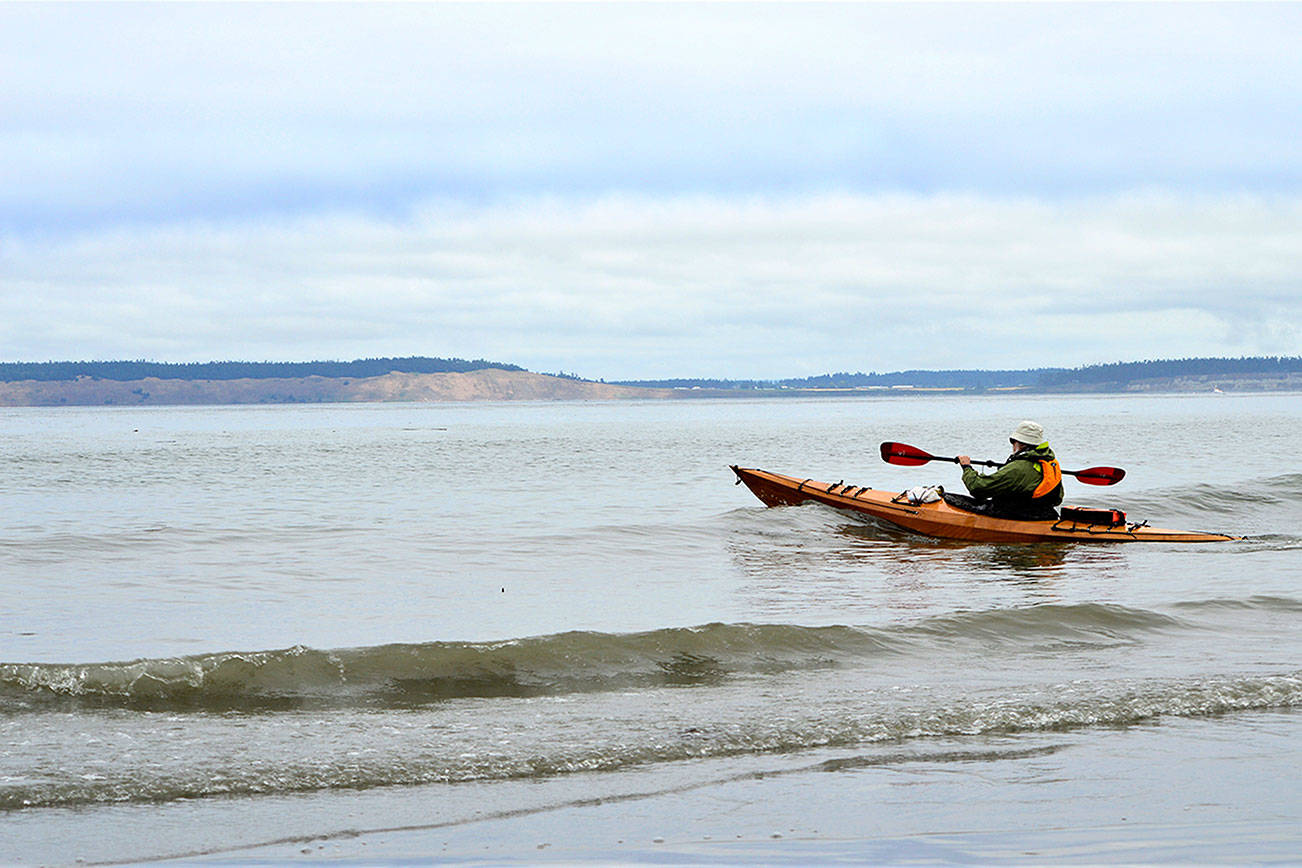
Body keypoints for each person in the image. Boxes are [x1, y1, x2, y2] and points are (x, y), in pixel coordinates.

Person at [947, 420, 1064, 520]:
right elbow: (1058, 498)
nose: (1012, 445)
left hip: (1017, 516)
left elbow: (978, 488)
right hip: (1046, 515)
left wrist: (966, 468)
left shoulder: (1017, 468)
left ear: (1021, 444)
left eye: (1013, 441)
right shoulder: (1051, 463)